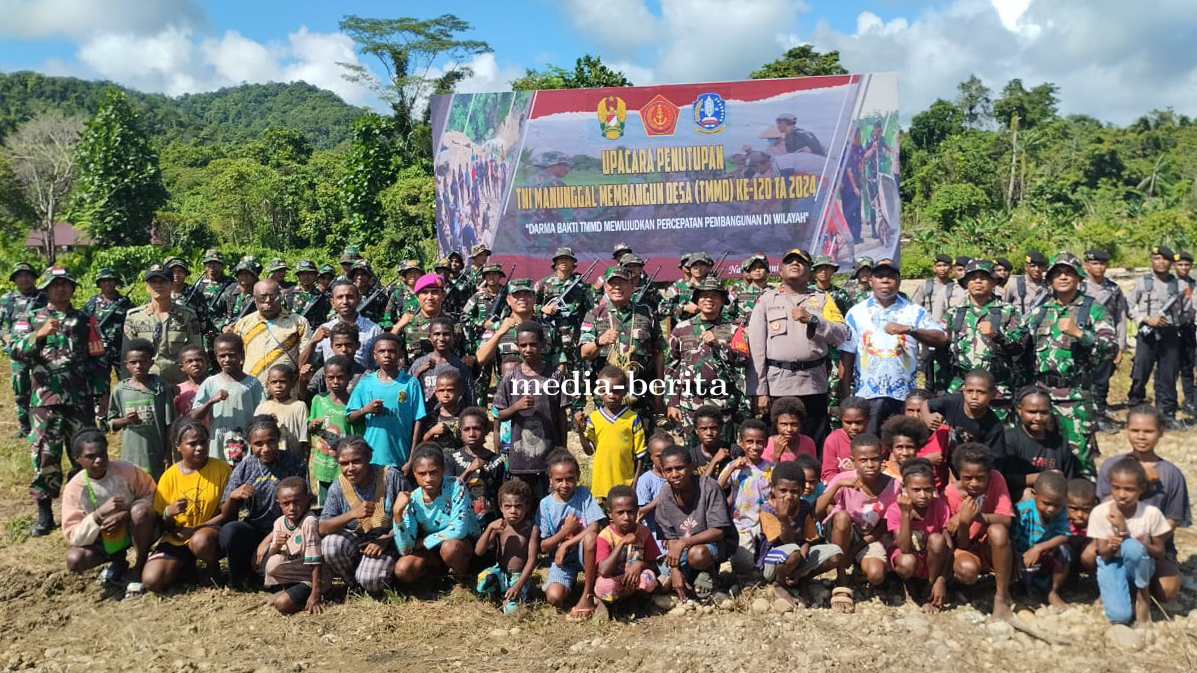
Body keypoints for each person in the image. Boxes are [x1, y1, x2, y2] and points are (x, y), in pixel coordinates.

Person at [13, 267, 107, 536]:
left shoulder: (86, 320)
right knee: (45, 455)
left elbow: (99, 358)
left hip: (80, 399)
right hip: (45, 401)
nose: (61, 289)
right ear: (45, 289)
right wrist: (39, 334)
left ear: (73, 289)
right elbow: (15, 352)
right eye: (55, 285)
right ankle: (44, 512)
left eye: (66, 284)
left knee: (85, 456)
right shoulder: (31, 319)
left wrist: (102, 393)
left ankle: (84, 507)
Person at [1024, 253, 1116, 477]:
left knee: (1080, 459)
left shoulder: (1093, 309)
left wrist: (1080, 334)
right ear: (1050, 279)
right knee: (1043, 457)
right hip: (1042, 397)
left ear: (1079, 277)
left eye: (1069, 273)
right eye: (1058, 273)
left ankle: (1083, 506)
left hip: (1076, 397)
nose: (1063, 277)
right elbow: (1023, 349)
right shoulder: (1039, 312)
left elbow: (1110, 347)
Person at [747, 248, 848, 449]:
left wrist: (813, 320)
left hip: (813, 383)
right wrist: (759, 390)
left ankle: (813, 480)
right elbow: (755, 348)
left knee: (813, 442)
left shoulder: (823, 299)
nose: (795, 264)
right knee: (779, 443)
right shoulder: (767, 300)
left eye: (801, 262)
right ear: (780, 271)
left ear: (810, 271)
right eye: (789, 261)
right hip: (778, 384)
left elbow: (842, 333)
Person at [839, 258, 947, 435]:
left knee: (902, 447)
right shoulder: (856, 313)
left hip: (904, 397)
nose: (885, 280)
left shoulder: (913, 311)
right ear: (871, 280)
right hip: (867, 395)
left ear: (899, 281)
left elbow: (941, 338)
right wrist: (845, 398)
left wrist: (910, 330)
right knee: (869, 448)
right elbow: (847, 355)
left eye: (890, 276)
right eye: (879, 276)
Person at [1095, 404, 1190, 605]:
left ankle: (1139, 583)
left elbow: (1172, 521)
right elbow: (1102, 506)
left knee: (1168, 592)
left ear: (1161, 432)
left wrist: (1143, 544)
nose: (1141, 436)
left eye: (1148, 431)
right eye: (1135, 430)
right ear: (1126, 429)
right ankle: (1116, 582)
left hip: (1153, 545)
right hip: (1114, 541)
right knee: (1088, 556)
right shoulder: (1112, 466)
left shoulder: (1171, 474)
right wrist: (1139, 480)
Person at [61, 428, 157, 598]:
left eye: (102, 454)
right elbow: (74, 535)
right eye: (91, 457)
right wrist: (98, 516)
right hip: (103, 539)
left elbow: (152, 494)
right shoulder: (74, 488)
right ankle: (118, 562)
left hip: (136, 529)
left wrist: (125, 515)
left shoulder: (127, 470)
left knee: (140, 512)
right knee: (75, 559)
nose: (99, 460)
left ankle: (139, 568)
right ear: (78, 459)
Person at [142, 418, 232, 593]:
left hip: (209, 533)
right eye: (192, 444)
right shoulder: (169, 476)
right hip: (177, 537)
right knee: (152, 581)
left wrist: (196, 528)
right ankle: (186, 567)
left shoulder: (221, 469)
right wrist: (169, 513)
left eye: (203, 442)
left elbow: (227, 513)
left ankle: (212, 568)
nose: (199, 448)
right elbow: (164, 524)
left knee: (200, 541)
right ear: (178, 446)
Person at [218, 415, 307, 589]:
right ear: (249, 443)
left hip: (285, 531)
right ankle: (240, 577)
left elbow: (303, 506)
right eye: (258, 444)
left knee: (273, 580)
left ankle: (263, 570)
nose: (266, 449)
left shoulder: (294, 462)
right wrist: (232, 497)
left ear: (278, 439)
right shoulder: (245, 467)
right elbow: (227, 517)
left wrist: (268, 541)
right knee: (229, 532)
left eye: (271, 442)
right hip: (254, 530)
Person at [818, 433, 899, 613]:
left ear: (882, 458)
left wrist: (855, 550)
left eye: (875, 459)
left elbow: (884, 525)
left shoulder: (893, 486)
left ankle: (852, 559)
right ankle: (841, 579)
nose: (870, 465)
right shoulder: (843, 479)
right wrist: (837, 486)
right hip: (840, 530)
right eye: (863, 460)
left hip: (868, 537)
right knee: (842, 516)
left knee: (876, 575)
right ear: (854, 461)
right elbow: (817, 511)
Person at [318, 436, 408, 594]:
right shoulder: (338, 486)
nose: (350, 468)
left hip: (389, 543)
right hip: (357, 544)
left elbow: (412, 517)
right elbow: (323, 528)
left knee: (372, 581)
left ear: (369, 458)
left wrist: (385, 540)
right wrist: (352, 514)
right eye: (344, 464)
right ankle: (353, 583)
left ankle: (379, 577)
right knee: (330, 545)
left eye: (357, 461)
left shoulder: (391, 477)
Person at [1089, 458, 1172, 626]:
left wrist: (1124, 533)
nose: (1121, 495)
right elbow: (1104, 555)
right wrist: (1112, 546)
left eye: (1129, 489)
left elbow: (1159, 552)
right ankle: (1119, 591)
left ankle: (1143, 594)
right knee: (1120, 617)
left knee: (1131, 546)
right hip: (1112, 563)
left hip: (1140, 565)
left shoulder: (1150, 514)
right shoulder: (1100, 513)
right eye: (1116, 488)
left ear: (1142, 489)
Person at [493, 321, 570, 501]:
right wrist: (516, 407)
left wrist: (563, 447)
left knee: (550, 501)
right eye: (523, 345)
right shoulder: (511, 377)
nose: (528, 349)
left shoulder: (555, 376)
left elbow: (561, 415)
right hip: (521, 459)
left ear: (543, 345)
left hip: (549, 455)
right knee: (522, 501)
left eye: (533, 344)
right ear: (517, 347)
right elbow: (500, 413)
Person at [579, 266, 666, 425]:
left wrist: (659, 391)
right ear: (605, 287)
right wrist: (600, 341)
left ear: (632, 286)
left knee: (642, 443)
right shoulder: (594, 314)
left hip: (641, 394)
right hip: (607, 397)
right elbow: (584, 352)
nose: (617, 287)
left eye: (623, 283)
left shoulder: (646, 313)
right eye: (613, 283)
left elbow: (658, 352)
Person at [666, 278, 748, 443]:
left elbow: (743, 360)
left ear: (722, 300)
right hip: (690, 404)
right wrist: (672, 401)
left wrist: (719, 345)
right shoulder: (682, 328)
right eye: (704, 296)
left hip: (723, 403)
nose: (709, 299)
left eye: (714, 296)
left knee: (724, 452)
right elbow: (671, 367)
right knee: (691, 454)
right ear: (697, 300)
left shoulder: (734, 329)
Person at [753, 461, 842, 607]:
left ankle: (802, 580)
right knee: (793, 552)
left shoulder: (804, 507)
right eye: (783, 490)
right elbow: (785, 541)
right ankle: (779, 584)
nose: (788, 496)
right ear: (773, 489)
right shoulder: (767, 509)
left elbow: (808, 539)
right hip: (772, 563)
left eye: (794, 491)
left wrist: (802, 560)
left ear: (801, 490)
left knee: (836, 554)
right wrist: (783, 518)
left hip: (798, 557)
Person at [655, 444, 736, 602]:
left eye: (680, 468)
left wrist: (684, 542)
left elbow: (718, 531)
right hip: (681, 550)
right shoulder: (665, 495)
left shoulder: (709, 487)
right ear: (663, 472)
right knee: (664, 585)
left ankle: (710, 574)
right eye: (669, 470)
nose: (675, 474)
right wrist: (674, 570)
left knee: (697, 554)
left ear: (691, 467)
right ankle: (691, 575)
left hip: (713, 545)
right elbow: (670, 536)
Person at [393, 444, 478, 589]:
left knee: (450, 547)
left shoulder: (455, 486)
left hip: (462, 545)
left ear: (442, 469)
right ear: (414, 473)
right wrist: (397, 514)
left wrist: (424, 541)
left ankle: (462, 580)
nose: (428, 478)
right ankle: (439, 578)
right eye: (422, 473)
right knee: (403, 569)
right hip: (433, 551)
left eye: (433, 472)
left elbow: (458, 530)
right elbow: (405, 549)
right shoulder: (412, 499)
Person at [944, 260, 1026, 411]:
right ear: (966, 282)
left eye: (983, 277)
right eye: (973, 278)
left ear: (993, 281)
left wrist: (998, 336)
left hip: (997, 390)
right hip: (961, 388)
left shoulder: (1008, 311)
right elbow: (943, 350)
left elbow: (1019, 348)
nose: (978, 281)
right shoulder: (954, 313)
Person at [945, 444, 1015, 621]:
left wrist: (976, 516)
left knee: (998, 531)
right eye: (968, 478)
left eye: (980, 478)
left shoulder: (996, 479)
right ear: (959, 473)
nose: (974, 483)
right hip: (967, 548)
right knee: (967, 570)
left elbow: (1006, 519)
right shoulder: (951, 493)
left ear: (989, 474)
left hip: (989, 546)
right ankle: (966, 586)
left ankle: (1002, 596)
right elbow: (961, 544)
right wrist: (963, 522)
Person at [1127, 245, 1191, 429]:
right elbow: (1129, 307)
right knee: (1140, 372)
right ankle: (1135, 408)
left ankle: (1166, 413)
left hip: (1170, 334)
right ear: (1152, 261)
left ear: (1171, 263)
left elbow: (1186, 310)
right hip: (1147, 334)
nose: (1161, 262)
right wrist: (1146, 318)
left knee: (1168, 375)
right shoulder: (1142, 283)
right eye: (1157, 258)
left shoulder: (1179, 285)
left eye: (1165, 259)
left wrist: (1174, 325)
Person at [538, 451, 605, 617]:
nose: (565, 484)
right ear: (551, 481)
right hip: (563, 560)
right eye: (559, 480)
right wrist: (565, 532)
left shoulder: (583, 494)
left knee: (590, 538)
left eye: (570, 479)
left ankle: (587, 594)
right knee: (554, 598)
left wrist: (567, 543)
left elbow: (594, 526)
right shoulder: (545, 505)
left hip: (585, 554)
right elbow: (544, 546)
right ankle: (570, 583)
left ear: (578, 477)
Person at [346, 333, 425, 472]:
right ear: (375, 355)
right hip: (371, 459)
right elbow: (349, 417)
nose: (387, 355)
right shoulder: (365, 383)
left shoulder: (410, 383)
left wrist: (412, 459)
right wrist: (366, 410)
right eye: (382, 351)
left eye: (392, 351)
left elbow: (418, 421)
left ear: (400, 354)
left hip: (401, 459)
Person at [886, 457, 951, 614]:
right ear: (904, 488)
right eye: (916, 490)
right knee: (907, 560)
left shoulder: (939, 506)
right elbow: (904, 548)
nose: (923, 495)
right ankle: (909, 585)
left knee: (937, 539)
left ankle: (929, 588)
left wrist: (940, 580)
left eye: (927, 489)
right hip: (908, 559)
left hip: (931, 562)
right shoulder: (896, 509)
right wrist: (905, 514)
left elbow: (948, 546)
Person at [123, 264, 203, 386]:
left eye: (163, 281)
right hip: (145, 385)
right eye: (153, 282)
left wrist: (195, 386)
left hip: (179, 384)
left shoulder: (188, 315)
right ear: (147, 287)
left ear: (172, 285)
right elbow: (127, 355)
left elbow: (196, 352)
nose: (158, 286)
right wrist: (128, 387)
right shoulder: (134, 317)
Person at [107, 338, 176, 479]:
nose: (138, 366)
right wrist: (125, 420)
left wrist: (168, 454)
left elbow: (169, 423)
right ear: (126, 365)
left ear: (151, 362)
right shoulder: (121, 390)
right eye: (133, 362)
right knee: (134, 486)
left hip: (156, 451)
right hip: (131, 453)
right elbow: (111, 423)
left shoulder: (161, 387)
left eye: (143, 361)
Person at [190, 334, 265, 462]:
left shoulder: (252, 383)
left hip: (245, 441)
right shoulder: (211, 383)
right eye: (222, 356)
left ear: (241, 355)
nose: (227, 359)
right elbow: (194, 415)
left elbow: (262, 415)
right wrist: (211, 401)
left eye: (231, 355)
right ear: (216, 357)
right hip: (218, 443)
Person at [261, 477, 328, 614]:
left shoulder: (308, 522)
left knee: (282, 605)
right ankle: (286, 590)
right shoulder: (279, 523)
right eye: (286, 503)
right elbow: (271, 556)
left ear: (307, 500)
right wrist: (277, 546)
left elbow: (315, 560)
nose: (292, 508)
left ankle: (317, 591)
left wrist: (316, 593)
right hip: (294, 575)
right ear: (279, 504)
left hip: (311, 578)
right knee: (272, 562)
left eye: (297, 502)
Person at [579, 366, 646, 501]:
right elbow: (589, 451)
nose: (610, 396)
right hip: (601, 486)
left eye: (616, 391)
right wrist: (580, 430)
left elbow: (640, 455)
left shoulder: (632, 418)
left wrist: (635, 481)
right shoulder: (594, 418)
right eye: (605, 391)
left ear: (625, 392)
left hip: (626, 484)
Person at [232, 279, 311, 391]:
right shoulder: (243, 323)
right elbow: (236, 359)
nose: (268, 301)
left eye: (273, 297)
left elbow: (305, 357)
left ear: (280, 296)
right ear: (254, 298)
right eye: (262, 297)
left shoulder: (299, 322)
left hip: (287, 392)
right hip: (250, 389)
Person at [475, 479, 540, 615]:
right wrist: (490, 528)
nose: (513, 511)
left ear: (526, 506)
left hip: (519, 576)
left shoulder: (531, 529)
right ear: (501, 508)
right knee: (483, 583)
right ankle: (502, 593)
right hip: (501, 572)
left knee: (512, 612)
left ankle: (519, 593)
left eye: (518, 506)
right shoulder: (499, 527)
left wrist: (519, 584)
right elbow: (479, 551)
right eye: (508, 506)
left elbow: (532, 560)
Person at [718, 420, 774, 575]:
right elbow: (717, 488)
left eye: (759, 442)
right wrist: (732, 468)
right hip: (742, 524)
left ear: (766, 443)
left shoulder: (771, 468)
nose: (754, 447)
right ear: (740, 442)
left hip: (766, 522)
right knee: (742, 565)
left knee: (769, 565)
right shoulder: (735, 466)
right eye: (749, 442)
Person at [594, 485, 661, 613]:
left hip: (634, 579)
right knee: (604, 586)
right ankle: (608, 603)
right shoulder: (605, 536)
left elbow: (653, 563)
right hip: (614, 579)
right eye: (620, 512)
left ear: (637, 511)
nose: (626, 517)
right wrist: (622, 543)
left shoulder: (644, 532)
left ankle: (634, 599)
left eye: (630, 512)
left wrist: (640, 565)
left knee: (649, 578)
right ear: (610, 513)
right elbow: (603, 571)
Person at [1081, 249, 1128, 430]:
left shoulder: (1113, 289)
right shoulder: (1079, 287)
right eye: (1094, 263)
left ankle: (1099, 416)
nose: (1099, 267)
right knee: (1083, 381)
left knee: (1102, 382)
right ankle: (1085, 416)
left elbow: (1121, 318)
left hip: (1106, 343)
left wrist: (1121, 347)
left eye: (1102, 263)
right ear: (1086, 265)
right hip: (1082, 341)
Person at [307, 355, 362, 508]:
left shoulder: (354, 405)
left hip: (345, 467)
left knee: (347, 505)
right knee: (326, 508)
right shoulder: (318, 400)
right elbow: (311, 429)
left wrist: (324, 434)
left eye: (340, 377)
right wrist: (313, 425)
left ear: (350, 377)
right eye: (331, 378)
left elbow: (357, 439)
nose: (335, 382)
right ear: (325, 378)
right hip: (324, 466)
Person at [1012, 470, 1071, 610]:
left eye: (1057, 505)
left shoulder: (1062, 511)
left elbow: (1064, 535)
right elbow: (1012, 538)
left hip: (1044, 553)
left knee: (1064, 552)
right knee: (1008, 557)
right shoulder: (1022, 511)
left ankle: (1053, 591)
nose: (1051, 509)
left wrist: (1038, 548)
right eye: (1046, 503)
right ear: (1034, 494)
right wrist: (1017, 557)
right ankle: (1017, 588)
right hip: (1022, 555)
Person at [999, 387, 1074, 498]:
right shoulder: (1010, 439)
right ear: (1019, 410)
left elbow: (1069, 480)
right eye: (1032, 412)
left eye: (1044, 412)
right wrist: (1043, 477)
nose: (1038, 418)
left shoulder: (1059, 443)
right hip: (1018, 498)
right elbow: (1005, 479)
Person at [0, 261, 46, 437]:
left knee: (41, 387)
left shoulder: (44, 297)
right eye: (20, 276)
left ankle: (41, 423)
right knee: (20, 389)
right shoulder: (6, 299)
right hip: (17, 352)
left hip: (40, 350)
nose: (24, 279)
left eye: (28, 275)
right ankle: (25, 426)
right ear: (14, 279)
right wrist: (5, 336)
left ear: (34, 278)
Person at [392, 273, 469, 369]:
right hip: (416, 379)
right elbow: (387, 348)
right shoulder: (407, 325)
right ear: (417, 297)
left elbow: (470, 354)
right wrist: (398, 327)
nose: (430, 297)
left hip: (450, 379)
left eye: (435, 292)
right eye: (424, 292)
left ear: (443, 295)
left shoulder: (456, 323)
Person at [446, 407, 504, 528]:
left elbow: (502, 494)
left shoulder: (496, 461)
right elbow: (448, 492)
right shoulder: (452, 459)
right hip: (459, 520)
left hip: (490, 521)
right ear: (460, 431)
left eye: (477, 428)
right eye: (466, 429)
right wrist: (469, 470)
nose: (471, 434)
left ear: (486, 431)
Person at [927, 370, 1006, 455]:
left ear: (993, 394)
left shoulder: (993, 426)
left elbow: (995, 458)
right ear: (963, 390)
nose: (974, 397)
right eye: (970, 391)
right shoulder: (952, 401)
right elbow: (925, 404)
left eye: (981, 392)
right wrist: (928, 417)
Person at [312, 279, 382, 371]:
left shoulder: (374, 330)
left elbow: (380, 365)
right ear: (332, 302)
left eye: (349, 297)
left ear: (359, 299)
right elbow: (307, 363)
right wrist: (312, 342)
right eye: (340, 297)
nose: (345, 301)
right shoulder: (324, 329)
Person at [81, 267, 132, 387]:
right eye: (104, 281)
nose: (107, 283)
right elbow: (84, 324)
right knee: (100, 383)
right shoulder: (91, 304)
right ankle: (102, 405)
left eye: (111, 280)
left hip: (121, 348)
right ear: (99, 284)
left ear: (116, 282)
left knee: (126, 381)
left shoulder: (125, 303)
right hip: (99, 348)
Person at [409, 317, 474, 408]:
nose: (441, 338)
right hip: (426, 418)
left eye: (446, 334)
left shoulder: (460, 366)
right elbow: (407, 393)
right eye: (437, 334)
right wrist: (418, 372)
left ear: (453, 337)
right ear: (430, 337)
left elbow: (470, 398)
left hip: (454, 418)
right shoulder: (419, 364)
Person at [301, 321, 366, 400]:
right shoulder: (324, 372)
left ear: (358, 345)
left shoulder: (365, 375)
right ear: (332, 346)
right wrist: (303, 380)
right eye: (339, 345)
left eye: (348, 345)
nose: (344, 349)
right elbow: (306, 397)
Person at [255, 364, 309, 457]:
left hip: (292, 459)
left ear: (292, 384)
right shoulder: (262, 408)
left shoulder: (299, 406)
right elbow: (255, 435)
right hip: (268, 458)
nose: (278, 386)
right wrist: (268, 422)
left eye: (283, 382)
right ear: (268, 385)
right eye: (274, 382)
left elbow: (304, 439)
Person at [821, 396, 870, 483]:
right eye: (848, 423)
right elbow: (827, 474)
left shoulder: (873, 443)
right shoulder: (833, 440)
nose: (854, 427)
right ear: (841, 420)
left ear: (868, 419)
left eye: (859, 422)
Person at [636, 433, 671, 549]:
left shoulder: (679, 477)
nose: (663, 460)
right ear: (650, 455)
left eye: (668, 455)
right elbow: (640, 513)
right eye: (659, 456)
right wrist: (659, 499)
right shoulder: (646, 480)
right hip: (654, 532)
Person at [419, 370, 467, 452]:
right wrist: (432, 432)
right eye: (441, 390)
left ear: (460, 392)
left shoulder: (465, 417)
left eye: (450, 390)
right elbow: (421, 443)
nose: (445, 394)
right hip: (436, 460)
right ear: (436, 393)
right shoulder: (431, 417)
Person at [687, 406, 740, 477]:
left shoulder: (734, 452)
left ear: (721, 428)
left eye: (713, 428)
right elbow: (702, 486)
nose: (709, 433)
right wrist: (714, 461)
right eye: (703, 429)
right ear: (696, 430)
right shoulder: (691, 457)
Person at [880, 414, 932, 484]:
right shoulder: (883, 471)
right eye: (899, 447)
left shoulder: (923, 472)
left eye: (909, 447)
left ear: (918, 448)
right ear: (891, 448)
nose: (905, 453)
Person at [214, 256, 262, 332]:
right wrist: (223, 327)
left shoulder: (261, 293)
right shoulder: (228, 293)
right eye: (241, 274)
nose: (244, 277)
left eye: (248, 274)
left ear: (254, 276)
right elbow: (213, 312)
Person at [764, 397, 816, 462]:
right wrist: (776, 456)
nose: (789, 429)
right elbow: (766, 471)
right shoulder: (768, 444)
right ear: (776, 424)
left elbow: (813, 469)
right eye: (784, 424)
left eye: (794, 424)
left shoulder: (808, 443)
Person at [378, 259, 424, 331]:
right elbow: (388, 315)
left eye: (416, 272)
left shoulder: (427, 292)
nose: (412, 275)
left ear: (421, 275)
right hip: (403, 333)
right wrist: (391, 325)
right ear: (405, 276)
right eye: (409, 272)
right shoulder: (398, 293)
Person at [283, 260, 329, 327]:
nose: (306, 277)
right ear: (298, 276)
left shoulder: (322, 297)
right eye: (302, 274)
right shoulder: (288, 295)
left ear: (315, 276)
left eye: (310, 274)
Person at [1067, 478, 1098, 576]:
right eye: (1073, 509)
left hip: (1086, 557)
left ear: (1093, 506)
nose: (1079, 514)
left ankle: (1093, 575)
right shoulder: (1060, 520)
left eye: (1086, 510)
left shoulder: (1097, 520)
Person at [728, 253, 771, 321]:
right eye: (754, 267)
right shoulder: (737, 292)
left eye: (761, 267)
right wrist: (737, 326)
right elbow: (726, 316)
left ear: (767, 271)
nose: (757, 270)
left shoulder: (775, 293)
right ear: (749, 271)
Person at [173, 345, 207, 419]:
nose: (195, 364)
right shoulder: (178, 391)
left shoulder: (216, 385)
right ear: (182, 367)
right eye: (189, 361)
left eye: (199, 360)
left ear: (207, 362)